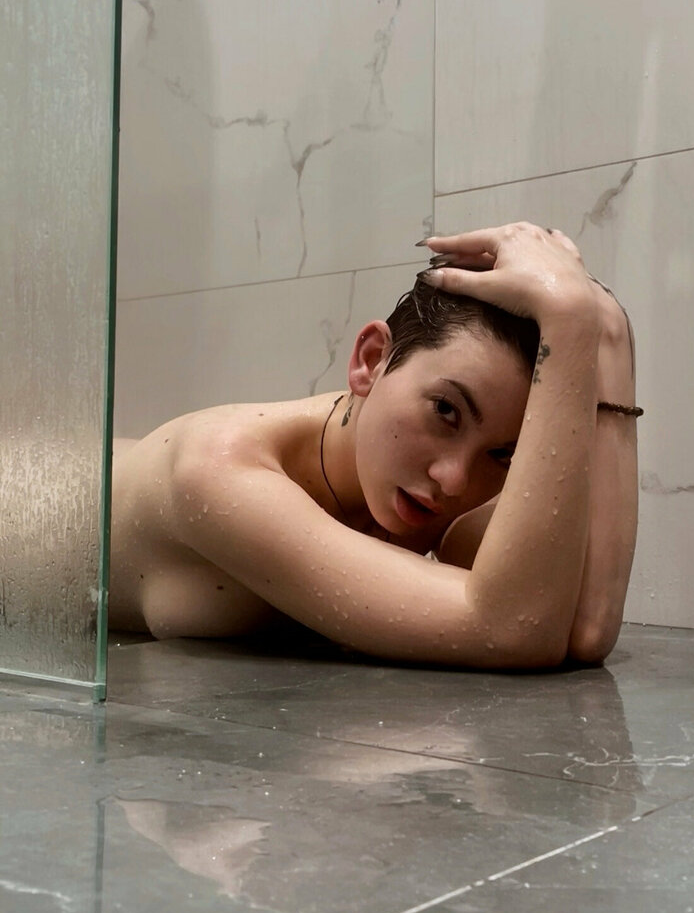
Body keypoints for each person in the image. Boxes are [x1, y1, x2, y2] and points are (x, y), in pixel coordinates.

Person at [109, 222, 640, 670]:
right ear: (370, 359)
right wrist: (570, 318)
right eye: (445, 411)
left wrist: (610, 336)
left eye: (504, 454)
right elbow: (510, 630)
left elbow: (583, 628)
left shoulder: (434, 489)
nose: (455, 479)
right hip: (65, 487)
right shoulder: (219, 468)